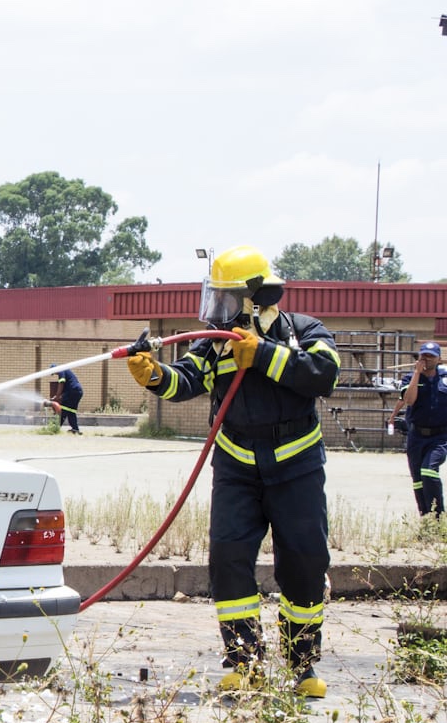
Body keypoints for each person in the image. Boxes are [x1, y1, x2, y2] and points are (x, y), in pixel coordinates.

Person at [125, 245, 339, 697]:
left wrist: (262, 354)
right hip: (237, 466)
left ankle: (302, 666)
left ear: (255, 297)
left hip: (296, 466)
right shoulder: (215, 342)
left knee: (304, 563)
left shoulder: (303, 331)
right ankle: (246, 661)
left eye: (225, 299)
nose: (216, 310)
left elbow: (323, 374)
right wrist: (152, 374)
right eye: (214, 298)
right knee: (228, 560)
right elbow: (187, 378)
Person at [400, 341, 447, 519]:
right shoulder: (409, 378)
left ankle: (438, 518)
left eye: (430, 356)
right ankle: (426, 519)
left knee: (429, 470)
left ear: (439, 359)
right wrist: (416, 374)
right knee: (418, 481)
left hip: (440, 437)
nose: (426, 359)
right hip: (416, 436)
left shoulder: (445, 377)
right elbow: (409, 400)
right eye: (423, 355)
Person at [51, 364, 83, 433]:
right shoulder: (65, 370)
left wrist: (57, 396)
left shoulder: (61, 370)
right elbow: (66, 386)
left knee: (64, 408)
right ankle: (75, 429)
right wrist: (58, 396)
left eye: (54, 372)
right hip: (78, 391)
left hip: (73, 391)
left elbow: (61, 383)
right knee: (71, 411)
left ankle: (55, 428)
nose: (56, 374)